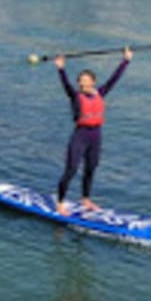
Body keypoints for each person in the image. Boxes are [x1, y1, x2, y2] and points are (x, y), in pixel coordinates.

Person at [54, 48, 132, 216]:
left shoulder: (101, 93)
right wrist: (61, 69)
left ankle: (85, 199)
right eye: (80, 80)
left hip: (95, 136)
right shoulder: (76, 96)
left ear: (93, 82)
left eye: (85, 80)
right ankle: (60, 203)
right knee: (71, 169)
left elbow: (114, 79)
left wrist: (125, 61)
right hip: (80, 136)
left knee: (91, 168)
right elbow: (66, 86)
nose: (82, 83)